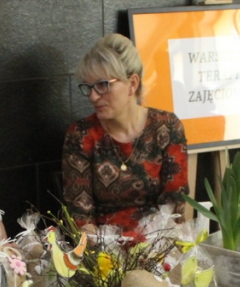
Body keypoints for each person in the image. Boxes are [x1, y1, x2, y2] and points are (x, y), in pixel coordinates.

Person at [62, 34, 189, 233]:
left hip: (160, 240)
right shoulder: (81, 135)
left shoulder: (167, 127)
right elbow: (80, 214)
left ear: (132, 84)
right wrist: (102, 249)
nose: (93, 96)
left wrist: (148, 246)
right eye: (88, 87)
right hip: (102, 244)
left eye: (103, 85)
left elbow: (174, 203)